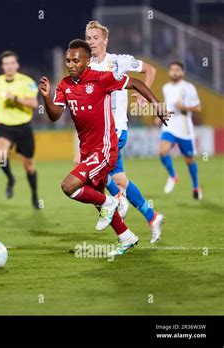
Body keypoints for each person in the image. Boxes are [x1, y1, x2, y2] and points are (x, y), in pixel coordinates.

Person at [38, 40, 171, 256]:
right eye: (67, 60)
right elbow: (54, 116)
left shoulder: (101, 79)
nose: (70, 64)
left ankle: (113, 200)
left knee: (68, 186)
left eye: (75, 60)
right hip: (87, 151)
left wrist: (157, 106)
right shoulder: (64, 85)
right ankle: (126, 237)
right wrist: (46, 97)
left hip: (105, 149)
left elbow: (136, 83)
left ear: (87, 62)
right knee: (94, 196)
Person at [85, 20, 164, 243]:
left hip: (115, 130)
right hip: (97, 132)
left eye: (96, 38)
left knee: (92, 172)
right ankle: (153, 217)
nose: (92, 42)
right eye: (89, 38)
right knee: (119, 179)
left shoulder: (119, 61)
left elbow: (150, 69)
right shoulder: (86, 67)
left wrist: (141, 94)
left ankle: (118, 200)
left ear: (105, 40)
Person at [0, 51, 40, 209]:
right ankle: (10, 178)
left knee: (28, 164)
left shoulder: (27, 81)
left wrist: (15, 98)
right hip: (5, 126)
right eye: (6, 63)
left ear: (17, 65)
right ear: (2, 66)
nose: (9, 66)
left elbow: (34, 103)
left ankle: (34, 195)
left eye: (12, 63)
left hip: (23, 126)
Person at [159, 61, 202, 200]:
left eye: (177, 70)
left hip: (184, 127)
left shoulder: (189, 87)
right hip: (170, 123)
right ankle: (173, 175)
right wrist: (159, 116)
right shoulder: (166, 87)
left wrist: (183, 107)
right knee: (162, 151)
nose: (174, 72)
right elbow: (167, 104)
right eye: (172, 70)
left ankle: (196, 186)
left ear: (182, 72)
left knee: (189, 160)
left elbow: (198, 108)